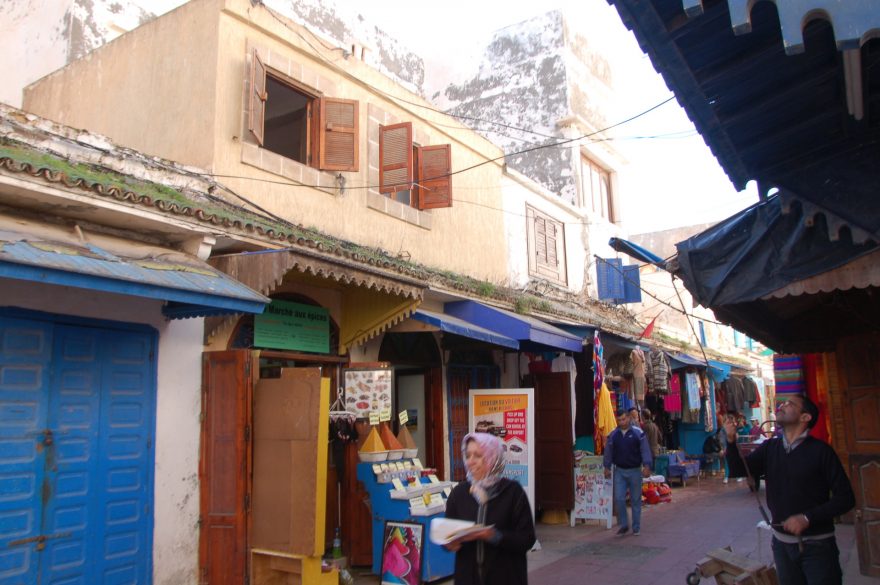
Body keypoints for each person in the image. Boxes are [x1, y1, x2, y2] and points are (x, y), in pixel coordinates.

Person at [724, 394, 855, 585]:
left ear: (805, 417)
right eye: (783, 403)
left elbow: (846, 498)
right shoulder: (770, 447)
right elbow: (739, 470)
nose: (782, 405)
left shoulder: (821, 452)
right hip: (782, 545)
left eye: (790, 404)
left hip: (818, 545)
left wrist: (807, 517)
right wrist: (730, 439)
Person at [444, 432, 536, 585]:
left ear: (493, 458)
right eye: (468, 455)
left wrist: (493, 535)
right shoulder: (459, 494)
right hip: (468, 578)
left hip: (506, 577)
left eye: (478, 455)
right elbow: (447, 534)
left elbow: (527, 539)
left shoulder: (512, 492)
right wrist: (449, 544)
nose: (470, 461)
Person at [603, 410, 653, 535]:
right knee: (619, 498)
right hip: (620, 470)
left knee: (635, 500)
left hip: (635, 471)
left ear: (629, 418)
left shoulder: (638, 433)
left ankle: (636, 527)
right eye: (619, 420)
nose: (622, 422)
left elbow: (645, 450)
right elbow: (608, 451)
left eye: (624, 419)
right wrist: (607, 466)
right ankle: (624, 524)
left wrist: (647, 465)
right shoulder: (614, 435)